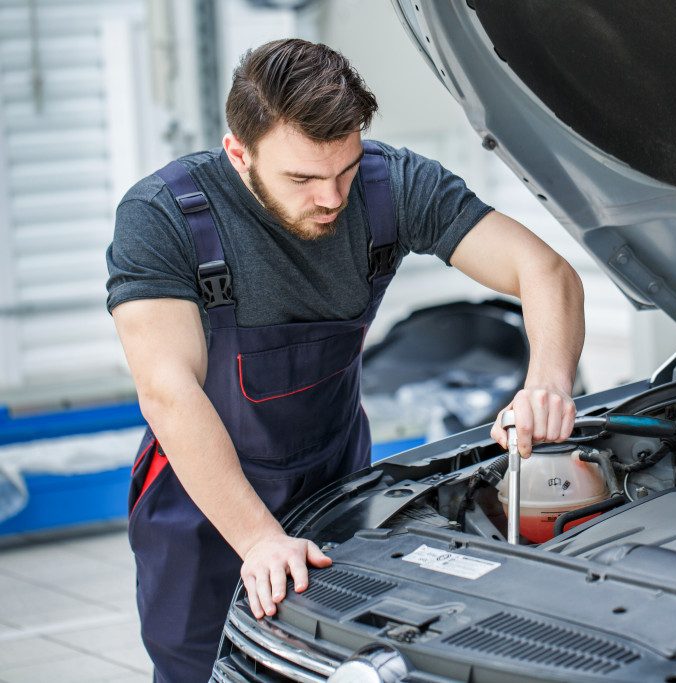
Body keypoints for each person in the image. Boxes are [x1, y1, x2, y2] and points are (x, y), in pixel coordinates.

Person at [105, 38, 584, 682]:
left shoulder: (394, 186)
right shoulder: (163, 216)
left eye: (346, 170)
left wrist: (546, 383)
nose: (331, 198)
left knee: (340, 666)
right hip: (202, 503)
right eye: (301, 179)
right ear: (237, 153)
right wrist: (258, 539)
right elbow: (168, 391)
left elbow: (545, 270)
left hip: (334, 485)